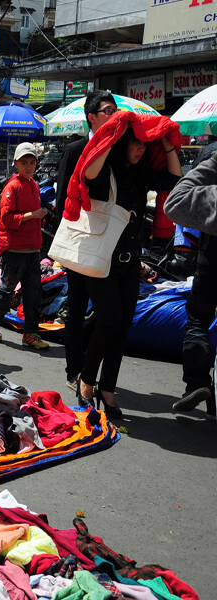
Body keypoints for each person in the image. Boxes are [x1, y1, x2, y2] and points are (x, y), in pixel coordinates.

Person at [70, 121, 181, 418]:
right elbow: (88, 173)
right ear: (122, 143)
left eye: (145, 144)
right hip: (100, 259)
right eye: (136, 142)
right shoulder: (106, 169)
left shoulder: (141, 171)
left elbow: (174, 177)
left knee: (122, 328)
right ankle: (86, 380)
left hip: (130, 263)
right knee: (109, 320)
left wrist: (167, 142)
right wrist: (111, 136)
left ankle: (108, 388)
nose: (141, 148)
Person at [58, 90, 119, 391]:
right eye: (108, 110)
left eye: (116, 109)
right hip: (81, 240)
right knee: (77, 304)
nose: (114, 114)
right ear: (92, 117)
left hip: (109, 243)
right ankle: (75, 370)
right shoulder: (75, 150)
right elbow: (61, 202)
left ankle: (89, 366)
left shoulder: (118, 150)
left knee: (108, 310)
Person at [164, 147, 217, 420]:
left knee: (198, 319)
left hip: (210, 258)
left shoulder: (211, 155)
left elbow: (177, 201)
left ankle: (197, 382)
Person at [0, 143, 50, 350]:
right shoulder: (12, 187)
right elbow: (6, 218)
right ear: (15, 164)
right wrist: (33, 215)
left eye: (32, 162)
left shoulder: (34, 185)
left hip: (33, 249)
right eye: (24, 162)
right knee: (6, 290)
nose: (29, 166)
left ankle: (30, 334)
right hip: (14, 250)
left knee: (34, 294)